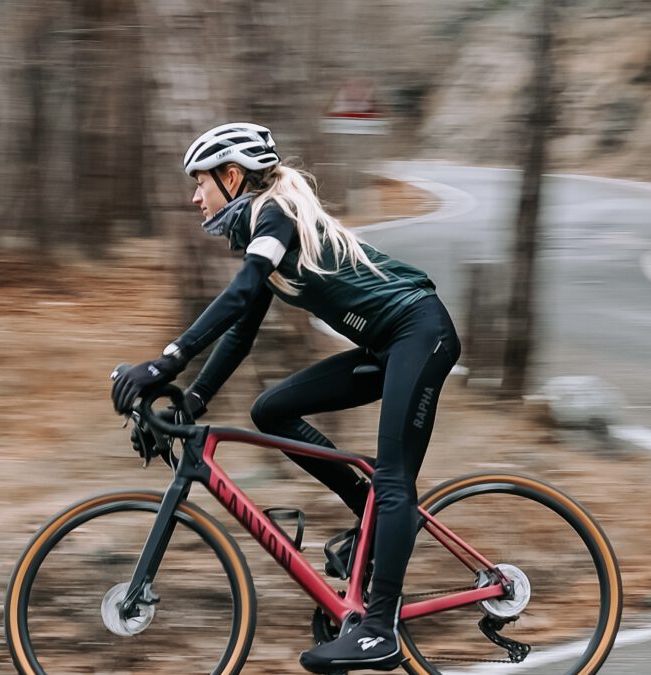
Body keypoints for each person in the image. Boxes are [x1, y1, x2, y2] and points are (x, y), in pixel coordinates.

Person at [111, 122, 461, 673]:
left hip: (420, 334)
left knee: (395, 478)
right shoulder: (264, 233)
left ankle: (378, 630)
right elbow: (241, 332)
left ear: (232, 176)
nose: (193, 195)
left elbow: (242, 290)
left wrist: (167, 359)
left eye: (200, 181)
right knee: (271, 411)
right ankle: (373, 509)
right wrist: (192, 402)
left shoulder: (273, 213)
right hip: (386, 345)